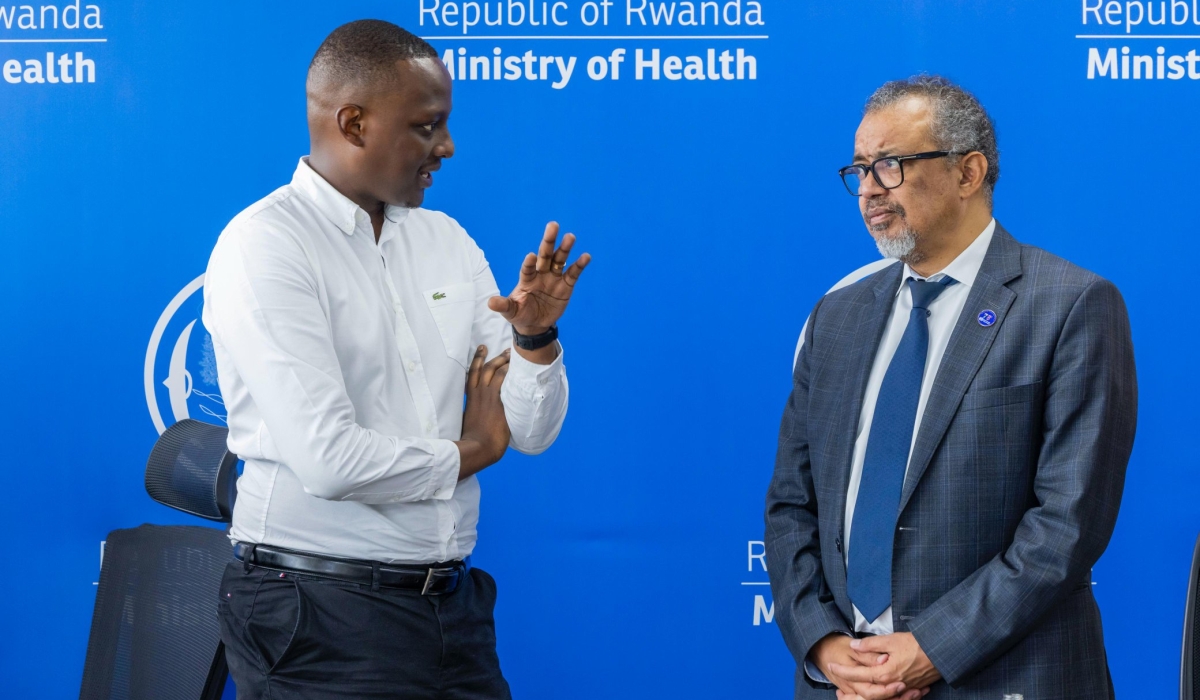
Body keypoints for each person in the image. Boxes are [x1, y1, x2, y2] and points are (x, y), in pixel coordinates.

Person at [202, 20, 589, 699]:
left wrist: (534, 342)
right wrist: (469, 451)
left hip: (451, 611)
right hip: (316, 617)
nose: (447, 146)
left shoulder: (445, 240)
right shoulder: (265, 246)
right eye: (426, 126)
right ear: (354, 123)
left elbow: (528, 432)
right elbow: (330, 460)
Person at [764, 75, 1136, 700]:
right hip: (845, 684)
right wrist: (824, 646)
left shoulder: (1070, 305)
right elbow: (791, 505)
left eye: (890, 165)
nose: (868, 192)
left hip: (1008, 677)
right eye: (859, 170)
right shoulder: (838, 316)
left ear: (968, 173)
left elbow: (1067, 525)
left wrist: (932, 649)